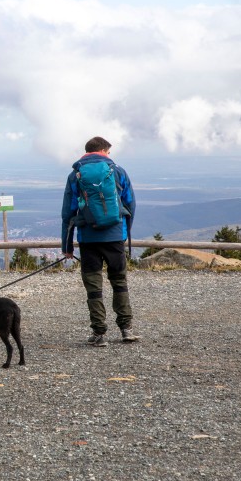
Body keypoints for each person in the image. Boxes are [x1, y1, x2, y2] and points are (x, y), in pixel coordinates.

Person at [61, 136, 139, 346]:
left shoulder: (75, 175)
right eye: (109, 152)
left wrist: (67, 247)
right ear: (104, 151)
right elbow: (130, 205)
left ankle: (99, 333)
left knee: (94, 287)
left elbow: (68, 212)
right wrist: (123, 233)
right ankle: (126, 329)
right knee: (119, 283)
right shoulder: (118, 171)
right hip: (115, 237)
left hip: (88, 238)